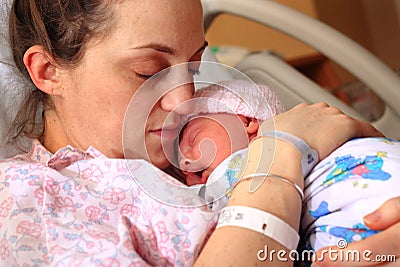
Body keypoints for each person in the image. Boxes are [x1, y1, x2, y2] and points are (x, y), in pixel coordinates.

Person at [0, 0, 398, 266]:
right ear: (48, 71)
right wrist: (279, 156)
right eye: (148, 72)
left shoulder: (214, 122)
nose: (183, 99)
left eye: (193, 67)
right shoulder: (26, 199)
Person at [177, 80, 400, 256]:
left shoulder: (244, 164)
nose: (186, 163)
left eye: (194, 139)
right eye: (182, 172)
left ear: (246, 122)